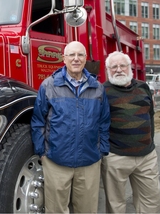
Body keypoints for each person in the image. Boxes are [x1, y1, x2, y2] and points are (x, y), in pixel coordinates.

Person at [31, 41, 110, 213]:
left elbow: (104, 122)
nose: (76, 59)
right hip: (56, 162)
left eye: (80, 55)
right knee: (56, 210)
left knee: (87, 210)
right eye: (71, 55)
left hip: (89, 161)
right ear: (64, 59)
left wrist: (101, 151)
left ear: (85, 59)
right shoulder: (49, 86)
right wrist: (42, 153)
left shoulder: (97, 88)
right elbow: (38, 121)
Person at [102, 51, 160, 213]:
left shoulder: (143, 87)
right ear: (108, 70)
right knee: (116, 205)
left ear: (130, 68)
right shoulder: (102, 92)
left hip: (147, 157)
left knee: (151, 201)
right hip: (116, 158)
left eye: (122, 65)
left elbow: (150, 116)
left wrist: (150, 143)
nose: (119, 69)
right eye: (114, 67)